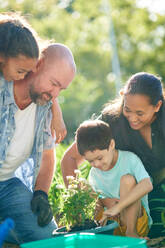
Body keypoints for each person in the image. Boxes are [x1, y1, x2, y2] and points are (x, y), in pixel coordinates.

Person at [61, 72, 165, 238]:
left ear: (158, 106)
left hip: (155, 186)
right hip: (120, 197)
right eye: (127, 109)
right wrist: (88, 203)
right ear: (123, 96)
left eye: (140, 113)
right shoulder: (112, 120)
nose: (132, 118)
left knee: (158, 230)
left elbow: (145, 184)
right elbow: (70, 158)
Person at [0, 43, 76, 244]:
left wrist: (41, 193)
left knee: (49, 239)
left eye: (62, 88)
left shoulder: (44, 105)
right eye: (54, 83)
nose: (55, 94)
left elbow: (47, 156)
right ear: (36, 65)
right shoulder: (2, 87)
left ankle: (8, 231)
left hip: (7, 184)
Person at [75, 119, 153, 238]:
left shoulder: (129, 159)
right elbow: (98, 200)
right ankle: (96, 234)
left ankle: (131, 233)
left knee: (127, 180)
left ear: (111, 145)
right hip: (111, 225)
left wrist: (119, 206)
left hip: (136, 223)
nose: (96, 164)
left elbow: (147, 184)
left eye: (99, 158)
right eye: (90, 161)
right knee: (85, 187)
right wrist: (104, 201)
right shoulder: (94, 173)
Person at [0, 12, 67, 144]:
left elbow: (45, 85)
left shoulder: (16, 66)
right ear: (1, 57)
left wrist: (57, 114)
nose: (22, 77)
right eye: (20, 71)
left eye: (27, 72)